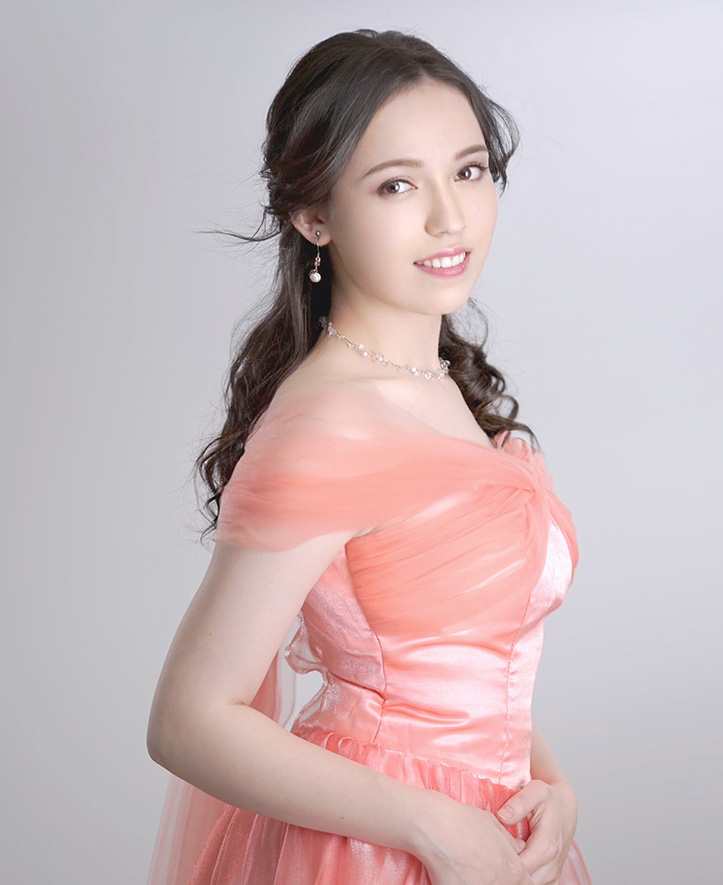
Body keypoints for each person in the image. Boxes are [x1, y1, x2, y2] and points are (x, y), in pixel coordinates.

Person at [145, 28, 593, 885]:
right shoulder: (327, 423)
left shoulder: (440, 385)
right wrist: (429, 824)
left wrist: (555, 786)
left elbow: (466, 662)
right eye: (396, 185)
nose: (449, 217)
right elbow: (187, 720)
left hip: (489, 834)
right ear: (313, 215)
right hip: (374, 848)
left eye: (468, 171)